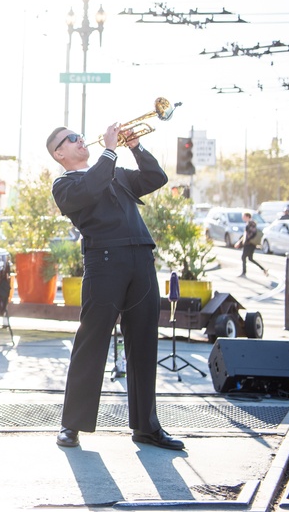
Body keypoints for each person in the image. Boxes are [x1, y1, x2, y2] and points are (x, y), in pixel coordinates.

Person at [46, 124, 185, 452]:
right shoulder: (65, 184)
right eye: (72, 139)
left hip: (141, 258)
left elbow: (155, 179)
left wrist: (135, 147)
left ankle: (146, 427)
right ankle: (72, 424)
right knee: (92, 341)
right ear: (59, 153)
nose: (81, 140)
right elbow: (91, 189)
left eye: (79, 135)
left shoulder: (116, 173)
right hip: (105, 263)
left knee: (144, 343)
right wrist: (109, 150)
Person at [234, 211, 268, 279]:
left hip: (249, 244)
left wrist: (246, 241)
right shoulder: (249, 223)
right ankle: (263, 269)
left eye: (243, 216)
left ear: (247, 217)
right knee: (250, 258)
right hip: (250, 243)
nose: (242, 217)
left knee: (244, 257)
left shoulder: (251, 223)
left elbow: (251, 233)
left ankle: (244, 272)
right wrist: (240, 242)